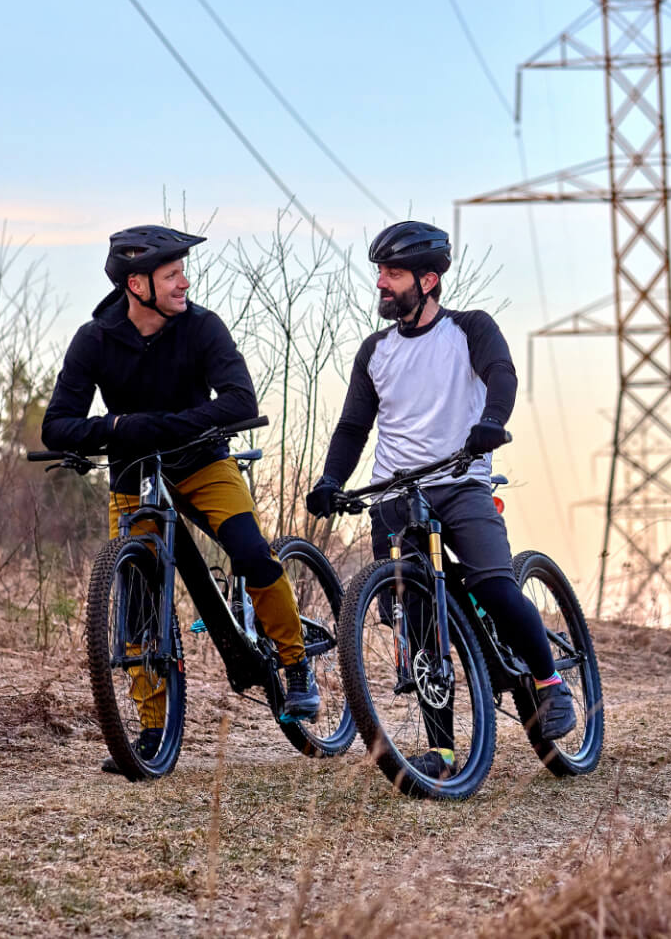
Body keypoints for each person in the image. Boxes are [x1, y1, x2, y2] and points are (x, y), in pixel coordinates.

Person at [42, 224, 319, 769]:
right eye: (172, 275)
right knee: (141, 600)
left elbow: (240, 401)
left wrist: (165, 425)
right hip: (135, 472)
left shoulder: (202, 328)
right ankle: (150, 731)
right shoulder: (94, 339)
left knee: (248, 551)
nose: (184, 283)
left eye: (181, 274)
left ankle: (294, 663)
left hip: (202, 462)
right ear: (136, 283)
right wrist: (120, 426)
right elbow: (58, 426)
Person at [305, 220, 574, 779]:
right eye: (379, 271)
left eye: (394, 273)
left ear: (428, 280)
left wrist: (491, 423)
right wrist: (332, 479)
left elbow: (501, 375)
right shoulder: (374, 351)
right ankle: (444, 750)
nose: (381, 282)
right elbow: (354, 425)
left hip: (460, 483)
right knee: (416, 617)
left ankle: (549, 680)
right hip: (395, 495)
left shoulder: (470, 329)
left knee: (495, 587)